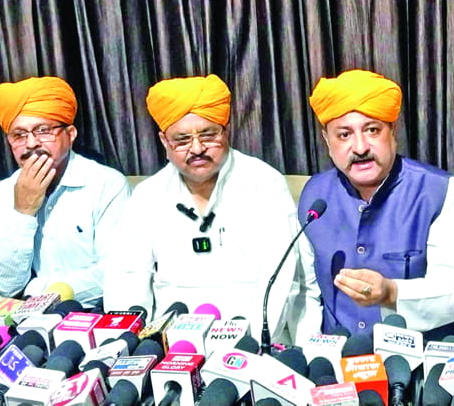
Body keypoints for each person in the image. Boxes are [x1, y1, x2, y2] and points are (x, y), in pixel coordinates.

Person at [103, 74, 321, 344]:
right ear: (164, 141)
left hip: (252, 337)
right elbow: (127, 278)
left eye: (208, 135)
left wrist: (251, 344)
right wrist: (132, 343)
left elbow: (282, 278)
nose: (197, 148)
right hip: (172, 344)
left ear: (226, 132)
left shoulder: (264, 184)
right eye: (182, 140)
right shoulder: (148, 196)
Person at [301, 69, 454, 337]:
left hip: (420, 355)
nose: (360, 148)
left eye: (372, 130)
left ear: (393, 131)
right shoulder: (315, 195)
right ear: (327, 140)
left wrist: (391, 293)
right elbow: (306, 292)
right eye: (344, 135)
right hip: (338, 354)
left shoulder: (438, 191)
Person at [0, 76, 130, 307]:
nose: (31, 143)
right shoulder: (1, 194)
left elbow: (117, 270)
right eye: (19, 135)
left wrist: (44, 293)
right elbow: (3, 285)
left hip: (95, 310)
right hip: (26, 316)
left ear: (70, 134)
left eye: (43, 130)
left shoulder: (105, 184)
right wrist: (22, 212)